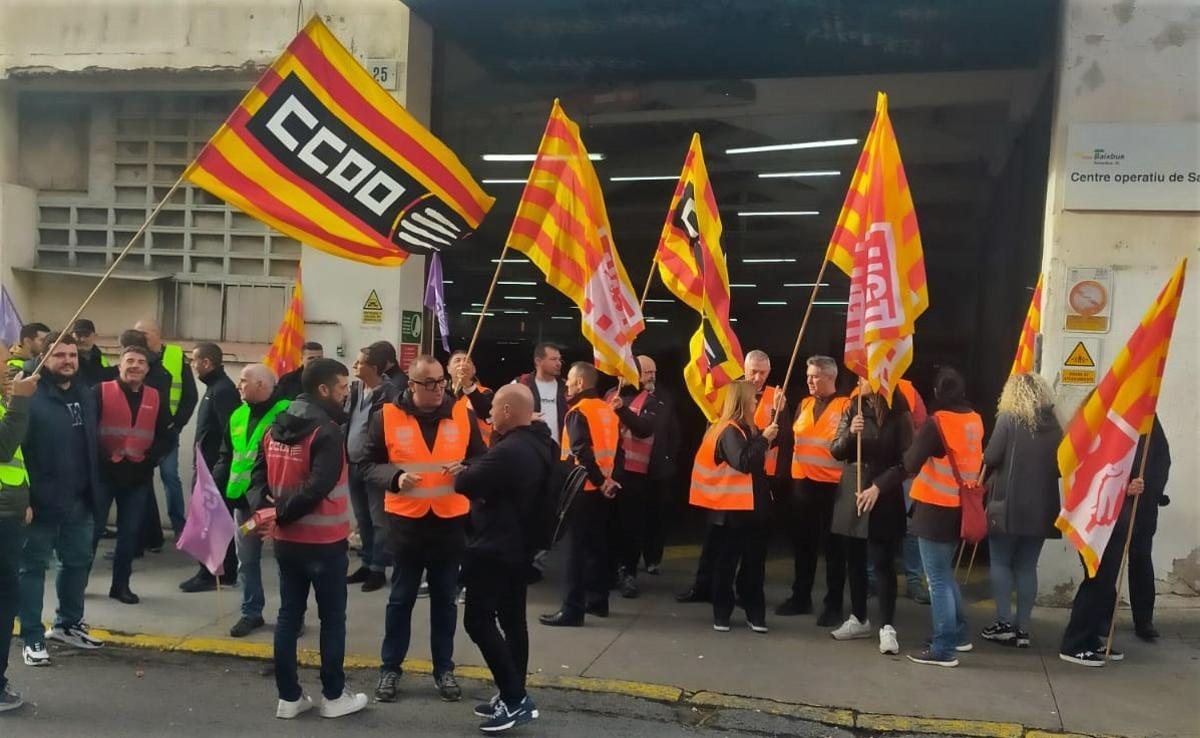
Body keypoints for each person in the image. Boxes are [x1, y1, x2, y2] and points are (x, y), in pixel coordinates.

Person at [361, 354, 487, 703]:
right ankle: (390, 669)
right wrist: (396, 477)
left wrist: (466, 468)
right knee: (400, 600)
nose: (438, 389)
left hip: (449, 521)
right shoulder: (385, 416)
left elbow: (480, 457)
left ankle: (443, 669)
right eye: (430, 383)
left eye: (441, 382)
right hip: (406, 522)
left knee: (445, 602)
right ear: (412, 385)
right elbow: (366, 464)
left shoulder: (462, 413)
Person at [247, 357, 368, 719]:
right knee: (333, 619)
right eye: (343, 387)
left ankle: (289, 698)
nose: (347, 394)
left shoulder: (275, 425)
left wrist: (267, 510)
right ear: (324, 389)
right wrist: (280, 512)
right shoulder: (326, 431)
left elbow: (256, 477)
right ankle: (333, 696)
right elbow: (319, 486)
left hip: (286, 542)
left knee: (288, 616)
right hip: (325, 543)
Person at [455, 384, 550, 732]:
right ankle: (514, 691)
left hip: (493, 547)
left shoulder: (510, 449)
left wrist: (464, 470)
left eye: (493, 407)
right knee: (512, 620)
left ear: (509, 411)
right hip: (518, 546)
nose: (490, 413)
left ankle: (514, 699)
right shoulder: (539, 443)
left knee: (477, 622)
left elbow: (465, 483)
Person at [19, 333, 105, 667]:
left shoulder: (84, 393)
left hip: (79, 500)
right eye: (59, 355)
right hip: (38, 503)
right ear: (44, 357)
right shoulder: (29, 394)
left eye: (72, 354)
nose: (68, 360)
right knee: (33, 569)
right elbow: (14, 450)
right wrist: (23, 499)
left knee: (77, 562)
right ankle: (31, 637)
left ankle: (68, 624)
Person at [678, 349, 785, 604]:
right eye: (753, 372)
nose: (757, 377)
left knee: (746, 547)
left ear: (769, 372)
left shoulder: (776, 398)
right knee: (715, 542)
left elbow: (782, 438)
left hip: (757, 482)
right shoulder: (730, 393)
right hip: (726, 485)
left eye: (762, 372)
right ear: (744, 371)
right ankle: (704, 587)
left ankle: (739, 593)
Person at [903, 367, 982, 667]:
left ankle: (944, 647)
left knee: (936, 580)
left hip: (934, 509)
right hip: (959, 508)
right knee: (945, 576)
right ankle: (958, 635)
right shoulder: (975, 419)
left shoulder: (938, 423)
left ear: (937, 393)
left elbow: (911, 461)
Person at [828, 379, 912, 654]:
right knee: (854, 559)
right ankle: (859, 618)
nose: (858, 380)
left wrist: (879, 486)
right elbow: (836, 450)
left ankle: (887, 626)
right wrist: (851, 433)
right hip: (853, 486)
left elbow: (907, 461)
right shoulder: (854, 406)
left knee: (883, 563)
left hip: (882, 492)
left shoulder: (899, 410)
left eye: (865, 376)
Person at [979, 373, 1062, 648]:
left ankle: (1003, 623)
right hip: (1042, 506)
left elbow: (991, 456)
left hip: (1007, 504)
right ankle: (1023, 628)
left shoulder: (1009, 419)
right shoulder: (1055, 424)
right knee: (1027, 566)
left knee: (1001, 562)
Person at [540, 361, 622, 628]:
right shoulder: (608, 411)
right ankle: (598, 601)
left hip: (581, 488)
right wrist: (608, 482)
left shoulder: (578, 412)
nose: (567, 384)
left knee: (573, 551)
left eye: (570, 380)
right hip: (602, 489)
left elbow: (580, 450)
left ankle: (572, 609)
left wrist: (598, 481)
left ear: (580, 383)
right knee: (597, 547)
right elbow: (617, 451)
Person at [691, 380, 775, 633]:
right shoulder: (728, 430)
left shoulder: (746, 429)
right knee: (727, 564)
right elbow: (743, 461)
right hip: (731, 510)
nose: (756, 401)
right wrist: (764, 440)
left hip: (751, 508)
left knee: (754, 564)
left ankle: (754, 613)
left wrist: (764, 436)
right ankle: (722, 613)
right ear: (741, 401)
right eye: (753, 398)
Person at [94, 345, 174, 604]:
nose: (135, 366)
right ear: (120, 365)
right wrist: (101, 459)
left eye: (141, 362)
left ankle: (120, 586)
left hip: (138, 475)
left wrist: (150, 460)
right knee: (92, 532)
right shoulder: (100, 391)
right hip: (104, 473)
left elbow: (167, 436)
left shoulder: (156, 397)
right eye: (130, 361)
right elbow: (87, 432)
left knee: (129, 535)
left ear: (147, 369)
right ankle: (78, 582)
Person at [216, 364, 289, 638]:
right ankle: (251, 613)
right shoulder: (237, 415)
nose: (238, 385)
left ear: (261, 384)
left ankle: (291, 616)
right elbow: (227, 454)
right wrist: (215, 484)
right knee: (246, 560)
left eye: (243, 381)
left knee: (286, 565)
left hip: (276, 503)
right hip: (243, 502)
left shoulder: (286, 412)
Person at [777, 356, 851, 621]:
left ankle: (833, 605)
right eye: (808, 376)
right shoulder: (804, 404)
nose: (809, 380)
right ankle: (800, 597)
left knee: (834, 550)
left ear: (830, 377)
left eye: (815, 376)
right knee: (803, 546)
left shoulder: (847, 406)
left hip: (833, 488)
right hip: (802, 486)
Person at [179, 342, 242, 593]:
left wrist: (218, 469)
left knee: (210, 523)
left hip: (214, 469)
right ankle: (223, 570)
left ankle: (209, 573)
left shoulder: (223, 390)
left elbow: (230, 432)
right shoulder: (213, 388)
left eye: (195, 361)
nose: (193, 365)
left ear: (206, 362)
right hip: (206, 465)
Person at [605, 355, 666, 598]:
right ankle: (609, 571)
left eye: (653, 371)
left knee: (631, 528)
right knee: (608, 526)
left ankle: (629, 573)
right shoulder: (611, 393)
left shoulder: (652, 401)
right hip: (608, 472)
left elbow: (643, 429)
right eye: (647, 372)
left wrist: (621, 411)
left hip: (634, 475)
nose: (652, 376)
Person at [133, 319, 198, 539]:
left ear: (156, 334)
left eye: (143, 332)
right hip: (141, 431)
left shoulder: (175, 355)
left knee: (170, 476)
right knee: (141, 480)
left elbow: (190, 395)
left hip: (167, 431)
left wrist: (177, 424)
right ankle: (148, 532)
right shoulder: (135, 359)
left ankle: (180, 527)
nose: (140, 336)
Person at [345, 343, 399, 592]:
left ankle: (378, 568)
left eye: (359, 363)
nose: (355, 366)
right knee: (362, 518)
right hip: (353, 463)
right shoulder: (355, 388)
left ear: (374, 368)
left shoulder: (391, 393)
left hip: (375, 465)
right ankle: (366, 562)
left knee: (379, 520)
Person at [0, 346, 36, 711]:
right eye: (2, 363)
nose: (9, 369)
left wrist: (22, 499)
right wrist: (21, 402)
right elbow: (3, 445)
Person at [1127, 416, 1170, 642]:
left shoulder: (1149, 420)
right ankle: (1103, 614)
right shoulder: (1111, 416)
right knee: (1106, 564)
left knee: (1141, 559)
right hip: (1113, 507)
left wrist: (1150, 491)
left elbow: (1163, 460)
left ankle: (1143, 619)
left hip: (1143, 507)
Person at [514, 342, 567, 446]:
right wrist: (524, 417)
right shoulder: (520, 384)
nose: (558, 363)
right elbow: (503, 414)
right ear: (538, 361)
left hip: (559, 453)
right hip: (529, 450)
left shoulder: (567, 387)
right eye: (553, 359)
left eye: (559, 359)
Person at [450, 350, 494, 445]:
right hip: (450, 448)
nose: (463, 364)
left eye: (467, 361)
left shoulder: (485, 392)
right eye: (457, 360)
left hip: (478, 450)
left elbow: (487, 412)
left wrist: (467, 384)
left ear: (474, 369)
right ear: (448, 368)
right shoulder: (441, 392)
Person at [72, 319, 113, 387]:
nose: (82, 339)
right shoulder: (67, 359)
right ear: (71, 336)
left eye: (86, 335)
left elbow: (108, 374)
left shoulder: (102, 358)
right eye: (78, 335)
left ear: (95, 336)